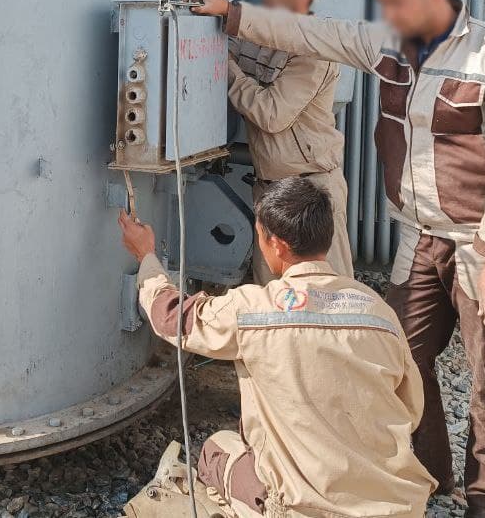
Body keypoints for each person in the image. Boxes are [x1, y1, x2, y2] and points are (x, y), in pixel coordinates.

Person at [183, 0, 485, 518]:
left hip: (484, 241)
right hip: (419, 235)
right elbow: (310, 31)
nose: (388, 12)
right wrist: (231, 12)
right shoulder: (386, 43)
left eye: (396, 0)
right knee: (401, 354)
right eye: (382, 2)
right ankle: (429, 474)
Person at [119, 178, 434, 518]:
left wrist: (147, 256)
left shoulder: (255, 310)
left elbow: (172, 317)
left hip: (308, 509)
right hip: (398, 507)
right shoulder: (377, 310)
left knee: (215, 451)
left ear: (278, 245)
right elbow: (411, 409)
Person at [218, 0, 352, 281]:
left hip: (311, 194)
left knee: (326, 301)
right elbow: (231, 42)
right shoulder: (268, 35)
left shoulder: (315, 47)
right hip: (271, 191)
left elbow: (271, 114)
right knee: (277, 302)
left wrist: (224, 66)